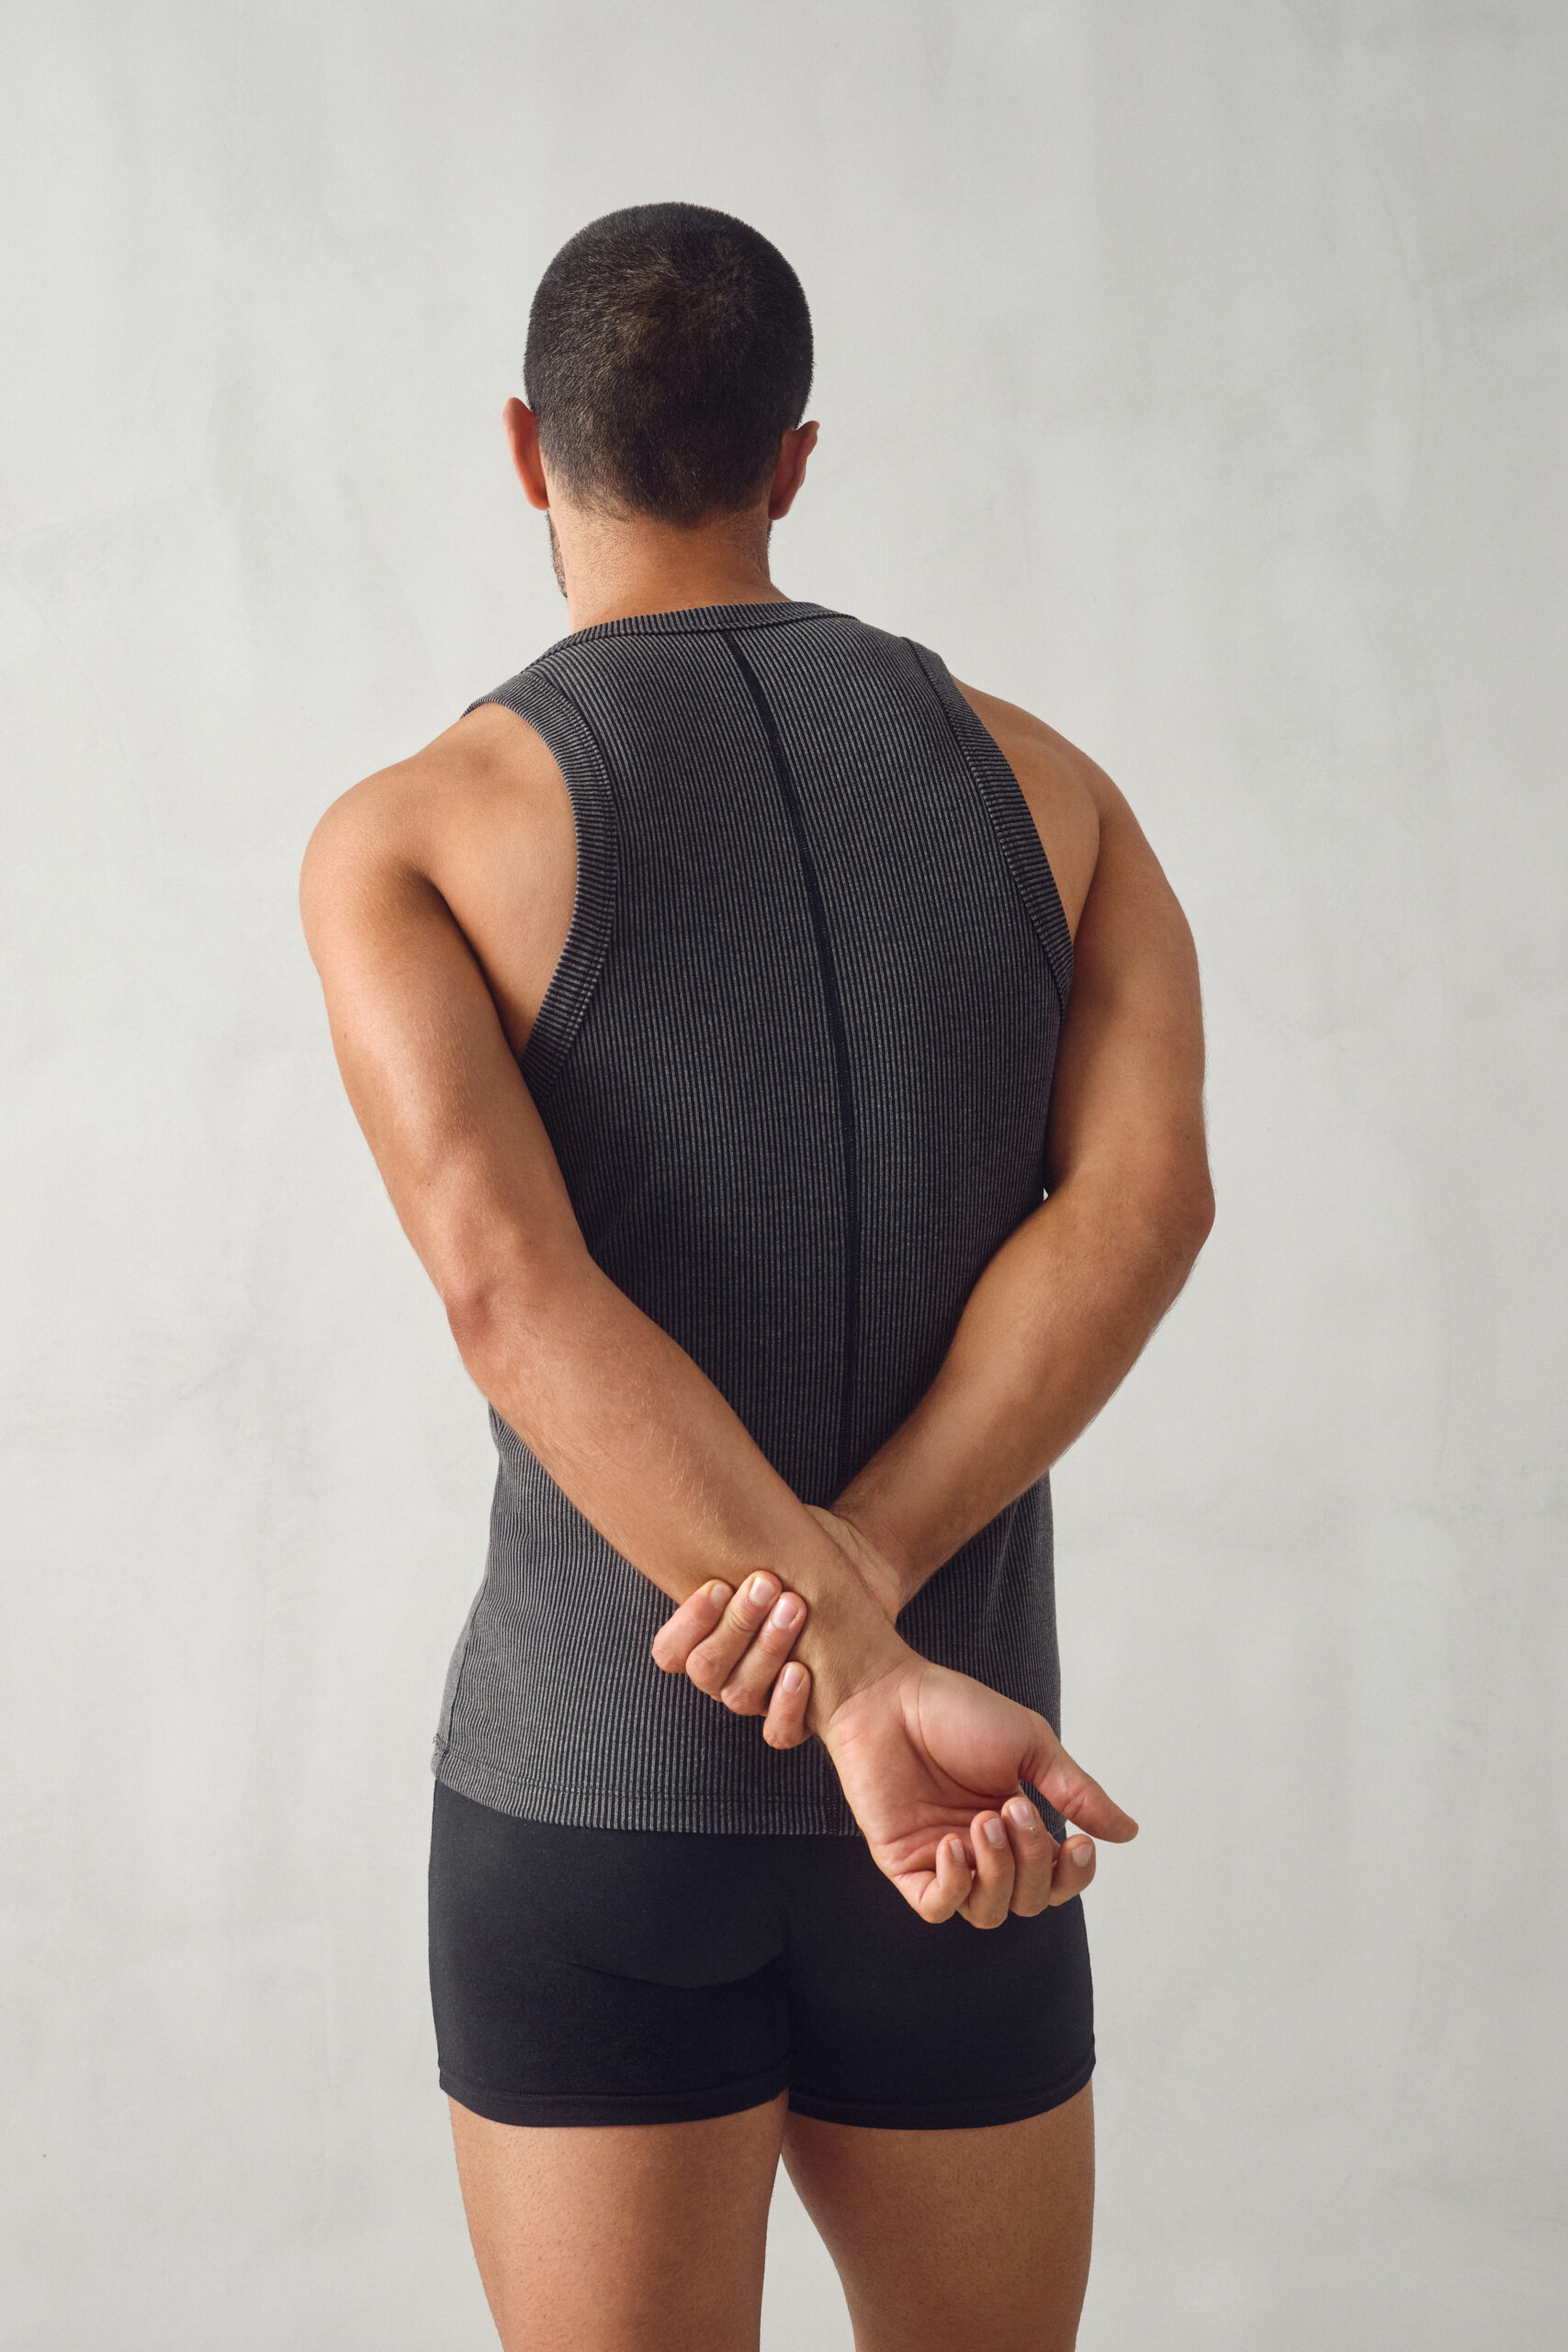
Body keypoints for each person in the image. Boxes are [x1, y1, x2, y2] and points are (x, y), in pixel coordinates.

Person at [299, 202, 1213, 2352]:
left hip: (595, 1787)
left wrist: (837, 1647)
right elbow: (1141, 1209)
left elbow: (508, 1291)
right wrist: (879, 1617)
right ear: (793, 458)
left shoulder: (412, 831)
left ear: (525, 447)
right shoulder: (1055, 792)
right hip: (963, 1811)